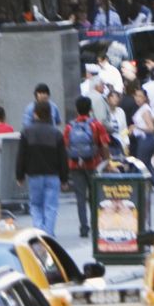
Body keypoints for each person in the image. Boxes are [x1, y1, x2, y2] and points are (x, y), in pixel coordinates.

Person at [16, 98, 67, 237]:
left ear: (35, 114)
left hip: (34, 175)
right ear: (50, 114)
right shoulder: (56, 134)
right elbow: (63, 158)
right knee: (50, 207)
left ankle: (39, 233)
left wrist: (19, 175)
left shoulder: (27, 132)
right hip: (53, 175)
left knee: (36, 205)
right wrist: (64, 179)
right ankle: (48, 235)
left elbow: (22, 155)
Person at [64, 95, 110, 238]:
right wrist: (107, 161)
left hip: (75, 164)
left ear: (77, 110)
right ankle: (96, 226)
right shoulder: (96, 125)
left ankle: (84, 227)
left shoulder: (69, 127)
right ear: (90, 109)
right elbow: (105, 144)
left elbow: (66, 146)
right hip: (93, 164)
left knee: (80, 197)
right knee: (95, 196)